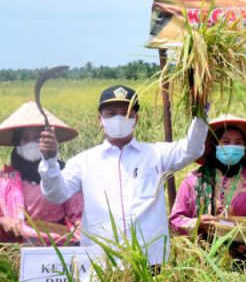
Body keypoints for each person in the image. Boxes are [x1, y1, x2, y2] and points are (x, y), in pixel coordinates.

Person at [38, 85, 209, 266]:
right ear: (100, 120)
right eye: (111, 113)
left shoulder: (156, 154)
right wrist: (49, 162)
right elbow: (56, 194)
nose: (119, 118)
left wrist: (201, 113)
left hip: (151, 261)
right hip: (101, 262)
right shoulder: (84, 161)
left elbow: (192, 149)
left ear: (136, 119)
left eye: (126, 113)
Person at [170, 115, 246, 260]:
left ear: (244, 148)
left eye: (238, 143)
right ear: (214, 145)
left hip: (244, 262)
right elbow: (175, 221)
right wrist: (197, 223)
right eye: (226, 142)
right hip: (201, 262)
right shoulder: (193, 180)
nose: (232, 146)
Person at [0, 102, 82, 245]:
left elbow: (79, 218)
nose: (32, 143)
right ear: (17, 143)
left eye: (38, 138)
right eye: (25, 138)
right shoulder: (5, 180)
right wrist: (4, 220)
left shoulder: (63, 175)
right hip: (15, 250)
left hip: (58, 247)